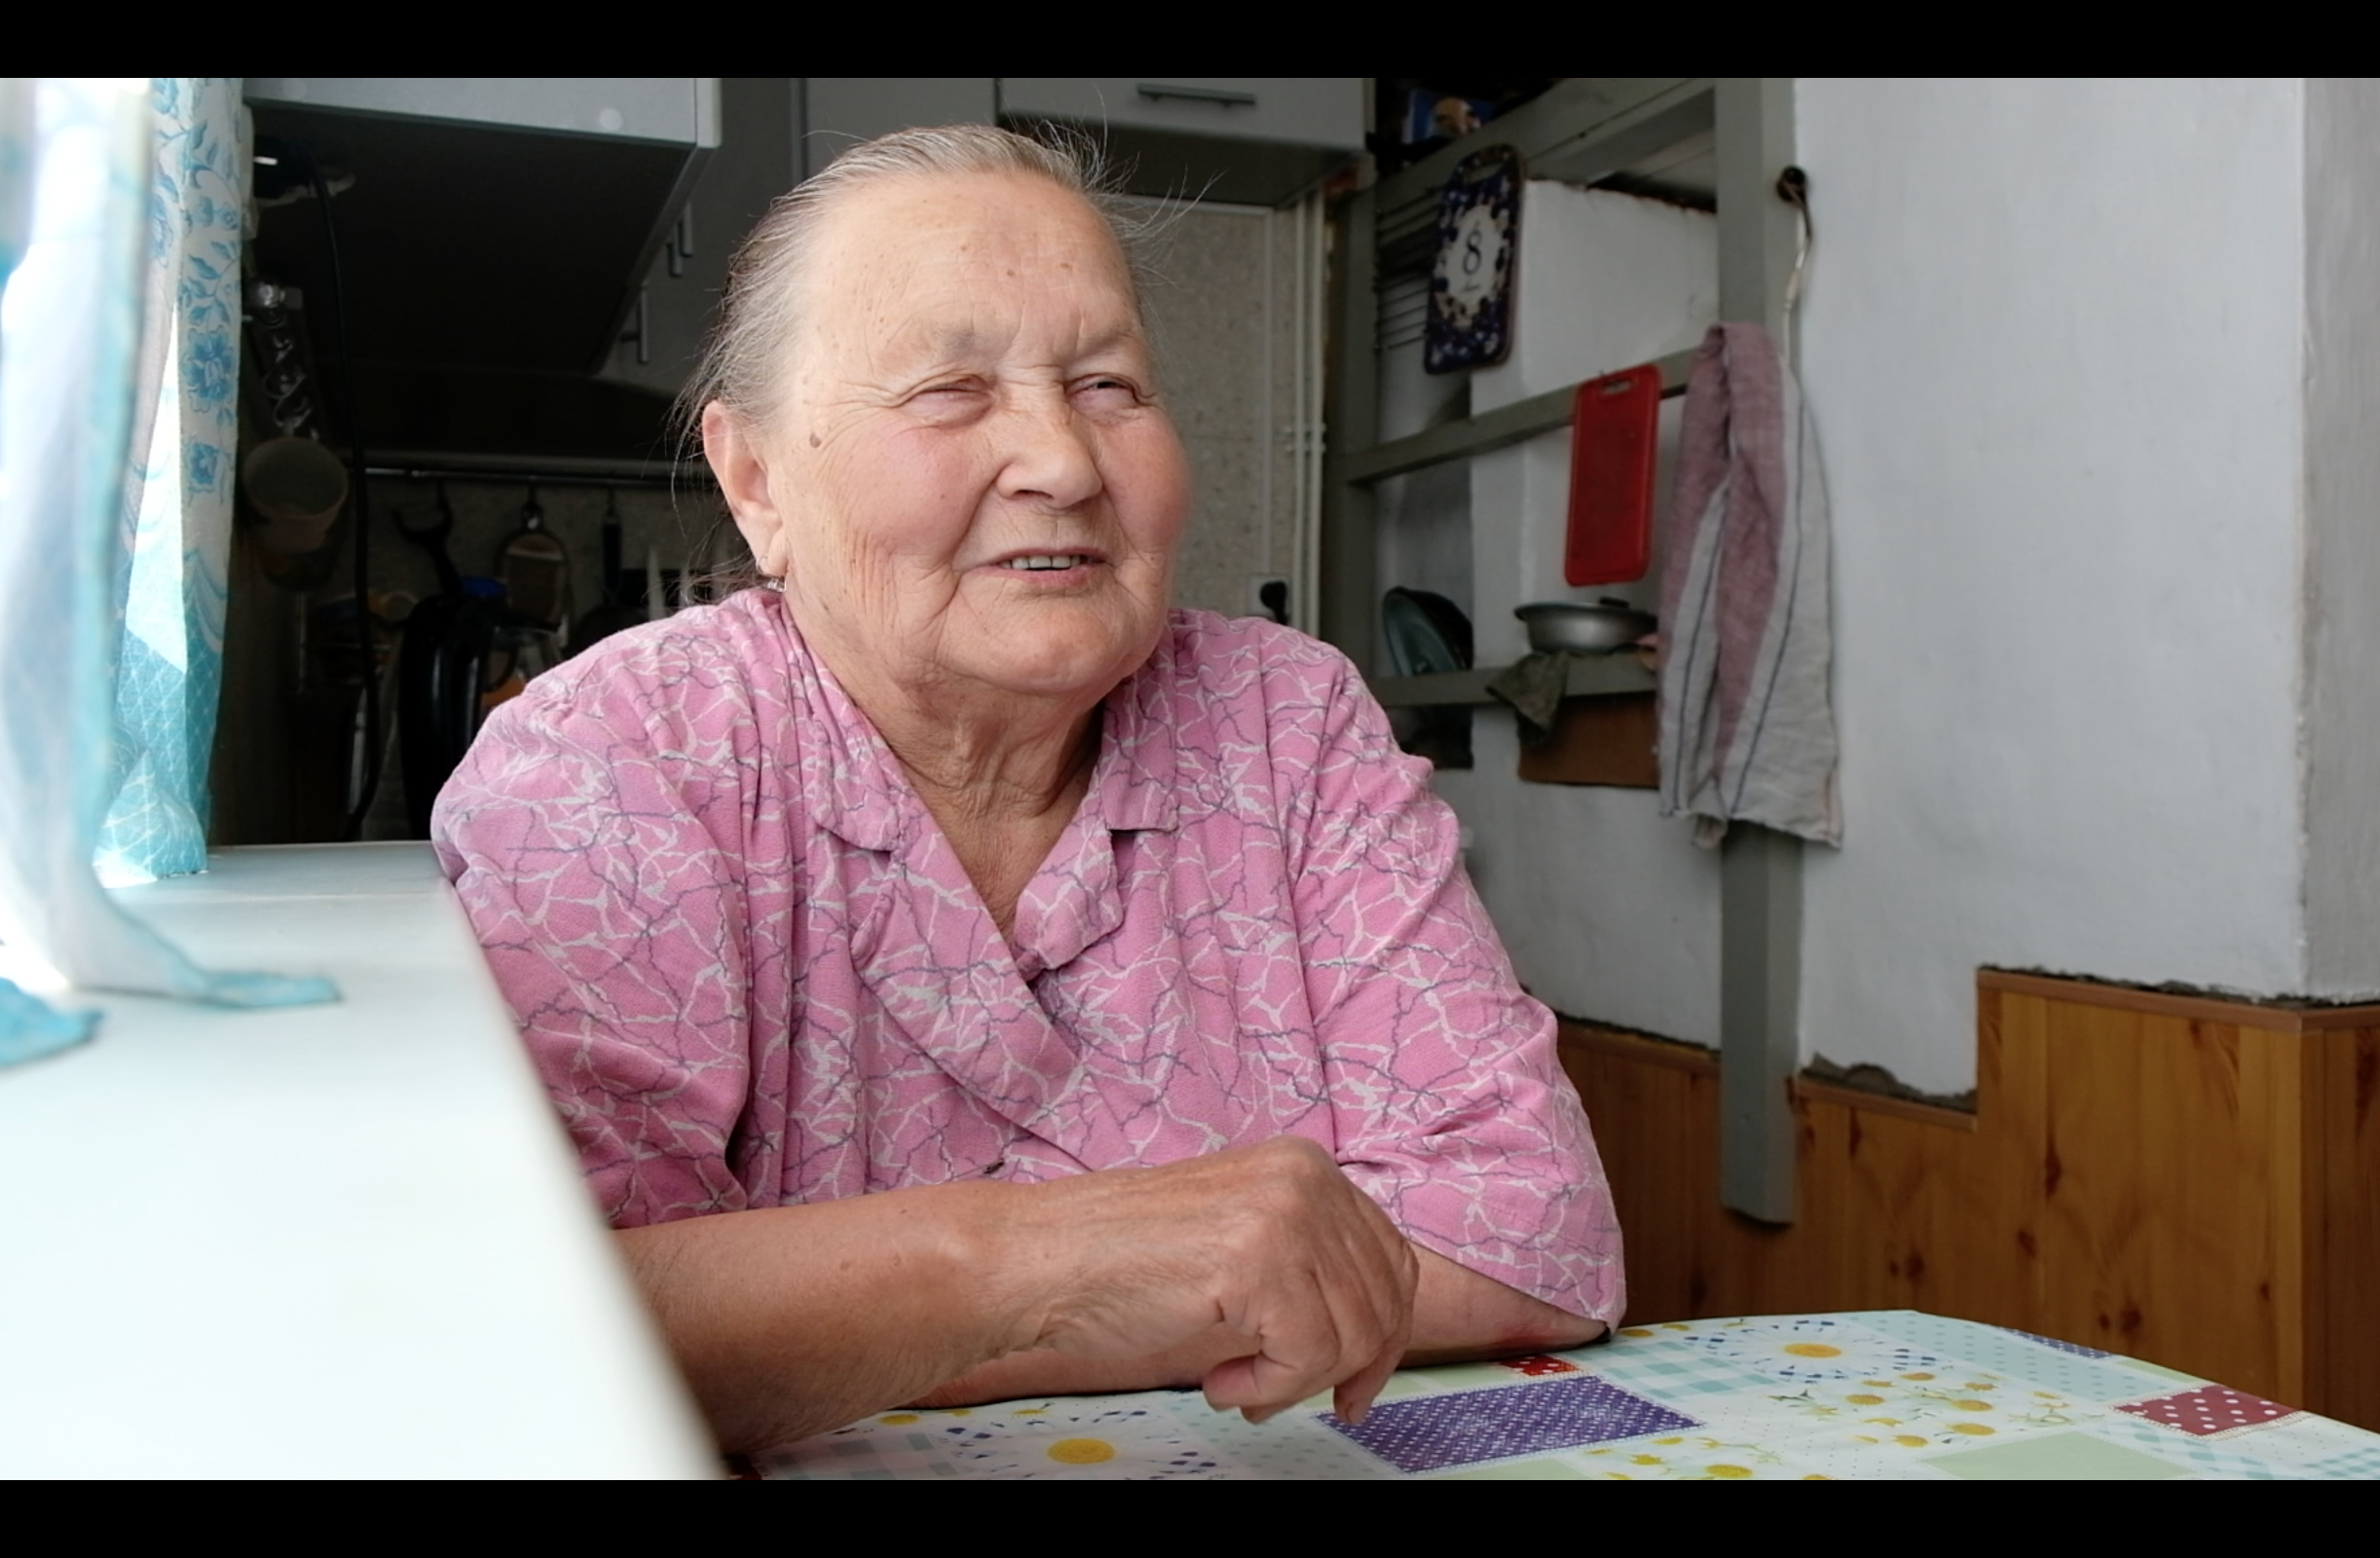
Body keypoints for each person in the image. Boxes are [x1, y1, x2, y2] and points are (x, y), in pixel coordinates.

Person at [432, 127, 1623, 1454]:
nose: (1062, 462)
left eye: (1109, 385)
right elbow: (538, 1319)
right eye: (950, 388)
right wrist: (1032, 1267)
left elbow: (1535, 1232)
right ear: (755, 478)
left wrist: (834, 1320)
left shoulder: (1290, 723)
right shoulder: (616, 760)